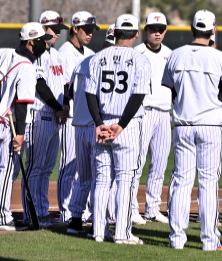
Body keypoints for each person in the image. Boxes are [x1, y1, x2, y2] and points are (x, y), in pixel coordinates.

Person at [162, 10, 222, 251]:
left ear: (192, 29)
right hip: (210, 125)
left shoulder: (175, 55)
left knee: (181, 182)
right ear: (213, 30)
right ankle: (209, 241)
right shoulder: (221, 57)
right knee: (207, 183)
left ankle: (176, 239)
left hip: (183, 124)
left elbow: (169, 90)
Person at [85, 14, 151, 245]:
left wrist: (98, 123)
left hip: (103, 123)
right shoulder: (140, 59)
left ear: (114, 34)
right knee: (125, 180)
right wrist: (121, 125)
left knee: (102, 180)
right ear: (135, 34)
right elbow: (138, 95)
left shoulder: (97, 58)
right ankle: (122, 233)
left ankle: (99, 232)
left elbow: (90, 94)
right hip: (127, 125)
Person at [0, 23, 52, 230]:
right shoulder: (26, 67)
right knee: (7, 171)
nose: (46, 43)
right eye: (42, 40)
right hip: (10, 123)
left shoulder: (5, 54)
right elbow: (22, 104)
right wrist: (20, 135)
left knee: (1, 170)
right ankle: (2, 218)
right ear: (31, 42)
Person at [20, 11, 70, 228]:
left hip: (55, 115)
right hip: (40, 114)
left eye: (59, 29)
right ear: (42, 28)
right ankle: (32, 214)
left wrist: (65, 105)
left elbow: (65, 84)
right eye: (53, 28)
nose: (57, 33)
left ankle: (42, 212)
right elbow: (40, 85)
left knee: (46, 168)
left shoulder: (56, 54)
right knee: (35, 167)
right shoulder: (37, 53)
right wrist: (58, 107)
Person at [66, 25, 116, 235]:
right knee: (102, 178)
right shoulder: (106, 65)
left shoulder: (82, 62)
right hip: (95, 126)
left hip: (78, 126)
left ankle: (75, 220)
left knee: (84, 177)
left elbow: (69, 92)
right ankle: (98, 222)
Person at [58, 11, 99, 223]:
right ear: (75, 28)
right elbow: (65, 86)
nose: (90, 33)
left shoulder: (90, 52)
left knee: (85, 169)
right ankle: (66, 212)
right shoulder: (65, 52)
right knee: (69, 166)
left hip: (86, 117)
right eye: (87, 29)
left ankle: (82, 211)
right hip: (70, 116)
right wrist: (64, 107)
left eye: (92, 30)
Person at [132, 12, 173, 224]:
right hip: (143, 112)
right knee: (137, 162)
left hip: (164, 113)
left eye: (160, 29)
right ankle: (132, 208)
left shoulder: (170, 54)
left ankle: (152, 208)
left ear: (165, 31)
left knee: (159, 163)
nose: (157, 33)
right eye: (153, 29)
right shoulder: (137, 52)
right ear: (145, 30)